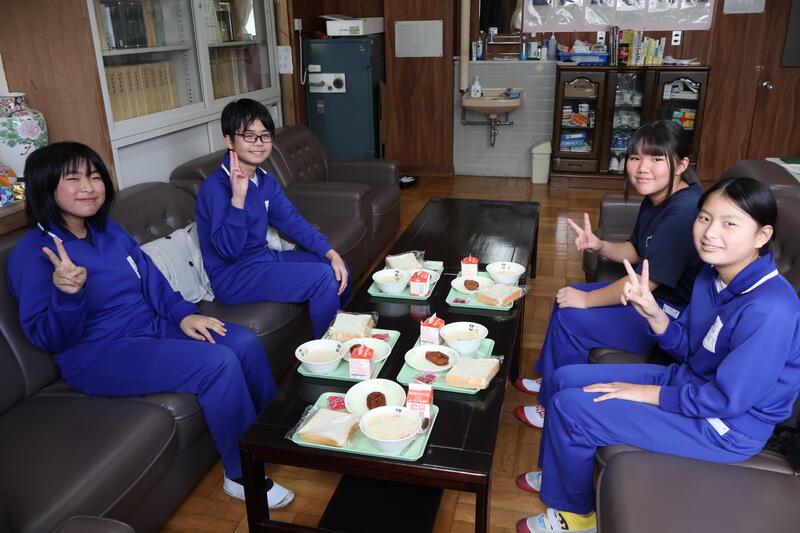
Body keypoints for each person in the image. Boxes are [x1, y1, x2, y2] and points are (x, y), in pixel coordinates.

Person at [6, 142, 294, 510]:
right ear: (46, 187)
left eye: (94, 176)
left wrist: (183, 314)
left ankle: (272, 435)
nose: (89, 187)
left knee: (241, 341)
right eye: (73, 179)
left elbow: (152, 281)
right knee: (216, 364)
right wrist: (67, 295)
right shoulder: (33, 253)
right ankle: (241, 476)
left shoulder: (107, 230)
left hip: (150, 326)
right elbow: (47, 336)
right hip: (98, 355)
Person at [515, 177, 800, 533]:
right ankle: (560, 473)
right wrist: (654, 314)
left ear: (762, 236)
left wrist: (644, 393)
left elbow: (727, 399)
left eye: (730, 223)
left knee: (572, 409)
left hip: (726, 427)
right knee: (563, 379)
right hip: (691, 382)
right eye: (705, 218)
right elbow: (692, 352)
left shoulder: (770, 308)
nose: (710, 233)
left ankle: (576, 518)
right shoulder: (712, 277)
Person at [515, 120, 704, 428]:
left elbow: (645, 281)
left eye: (656, 159)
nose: (642, 168)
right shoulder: (659, 196)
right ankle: (551, 378)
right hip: (652, 299)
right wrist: (600, 245)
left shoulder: (684, 212)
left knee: (572, 315)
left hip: (672, 315)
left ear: (682, 164)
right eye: (635, 157)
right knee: (565, 299)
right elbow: (637, 250)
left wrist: (587, 301)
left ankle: (551, 407)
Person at [195, 98, 350, 339]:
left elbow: (292, 221)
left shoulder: (264, 179)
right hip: (234, 276)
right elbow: (228, 251)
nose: (259, 143)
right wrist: (238, 199)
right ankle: (329, 350)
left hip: (264, 259)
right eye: (249, 136)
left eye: (265, 136)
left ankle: (348, 334)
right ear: (229, 141)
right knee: (321, 277)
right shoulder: (215, 187)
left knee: (338, 266)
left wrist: (330, 252)